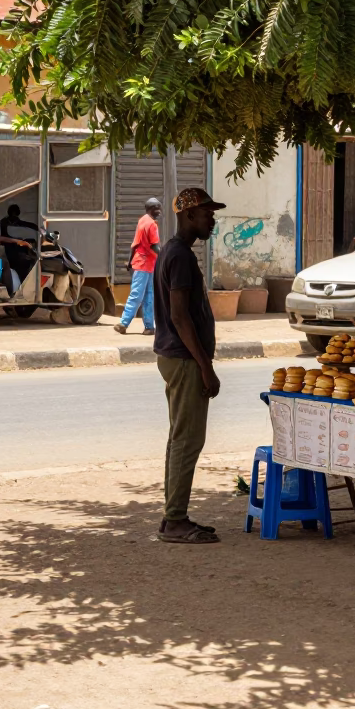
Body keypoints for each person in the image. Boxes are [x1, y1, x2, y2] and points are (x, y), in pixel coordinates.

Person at [154, 187, 226, 544]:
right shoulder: (179, 255)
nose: (212, 219)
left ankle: (174, 515)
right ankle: (175, 520)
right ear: (188, 216)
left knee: (179, 439)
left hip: (175, 357)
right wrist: (205, 367)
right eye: (207, 213)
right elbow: (181, 317)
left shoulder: (173, 251)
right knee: (187, 440)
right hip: (183, 360)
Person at [114, 196, 163, 335]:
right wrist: (165, 256)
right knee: (140, 295)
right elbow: (154, 246)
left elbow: (135, 244)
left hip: (144, 264)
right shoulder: (151, 224)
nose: (159, 211)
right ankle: (126, 323)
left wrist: (130, 262)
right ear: (151, 209)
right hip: (145, 264)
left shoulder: (142, 220)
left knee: (147, 296)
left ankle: (149, 327)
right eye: (157, 208)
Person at [0, 204, 39, 283]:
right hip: (18, 255)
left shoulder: (4, 222)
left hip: (10, 254)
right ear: (18, 213)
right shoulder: (9, 224)